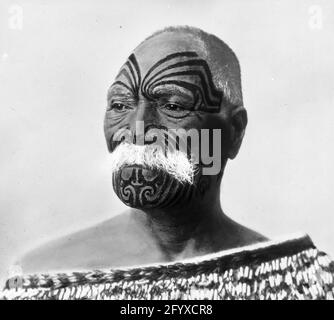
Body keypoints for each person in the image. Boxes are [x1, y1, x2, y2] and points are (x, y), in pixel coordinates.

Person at [1, 26, 333, 300]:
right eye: (120, 104)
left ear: (234, 131)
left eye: (173, 104)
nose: (136, 129)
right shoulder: (38, 281)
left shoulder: (304, 284)